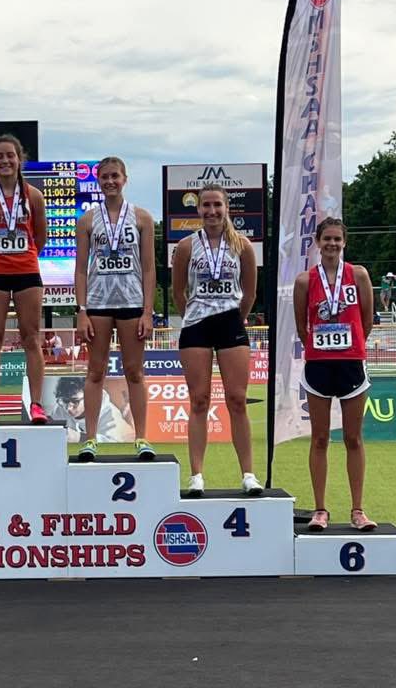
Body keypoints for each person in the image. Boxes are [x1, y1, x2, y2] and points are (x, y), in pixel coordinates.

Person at [171, 183, 263, 497]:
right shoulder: (185, 246)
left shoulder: (243, 246)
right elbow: (178, 292)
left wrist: (235, 316)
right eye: (206, 206)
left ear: (226, 209)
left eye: (217, 206)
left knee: (237, 400)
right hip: (196, 324)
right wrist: (195, 314)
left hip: (230, 324)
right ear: (198, 210)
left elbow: (249, 292)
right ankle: (197, 475)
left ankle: (248, 474)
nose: (211, 211)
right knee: (199, 401)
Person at [293, 217, 377, 531]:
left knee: (354, 438)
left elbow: (367, 320)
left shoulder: (359, 275)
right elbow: (302, 326)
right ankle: (320, 510)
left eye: (337, 240)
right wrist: (321, 346)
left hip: (351, 363)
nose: (331, 244)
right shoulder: (305, 281)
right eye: (326, 239)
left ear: (344, 243)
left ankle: (358, 510)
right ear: (317, 242)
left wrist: (351, 344)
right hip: (318, 365)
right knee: (320, 438)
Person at [74, 156, 156, 461]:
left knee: (134, 372)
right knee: (95, 372)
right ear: (98, 181)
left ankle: (142, 438)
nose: (110, 181)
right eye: (104, 177)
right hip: (98, 303)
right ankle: (91, 439)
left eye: (115, 176)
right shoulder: (87, 221)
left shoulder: (142, 218)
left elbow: (148, 269)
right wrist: (81, 309)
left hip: (132, 303)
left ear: (125, 179)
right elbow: (81, 269)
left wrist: (148, 311)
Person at [0, 134, 48, 425]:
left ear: (19, 159)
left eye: (9, 156)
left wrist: (22, 257)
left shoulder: (34, 196)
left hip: (28, 272)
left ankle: (36, 404)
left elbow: (40, 237)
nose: (4, 161)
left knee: (32, 338)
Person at [49, 376, 134, 444]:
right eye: (65, 401)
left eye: (75, 401)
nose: (68, 408)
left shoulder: (109, 413)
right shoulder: (60, 408)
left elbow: (115, 446)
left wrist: (79, 438)